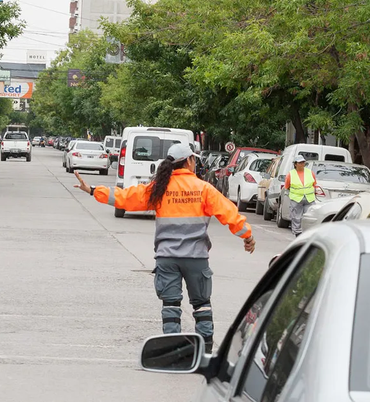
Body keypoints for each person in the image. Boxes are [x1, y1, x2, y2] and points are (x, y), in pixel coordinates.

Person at [73, 143, 255, 353]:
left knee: (171, 305)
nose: (195, 163)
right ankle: (204, 351)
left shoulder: (159, 189)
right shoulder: (204, 189)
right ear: (189, 161)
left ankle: (172, 350)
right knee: (202, 304)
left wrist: (94, 190)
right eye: (194, 159)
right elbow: (230, 215)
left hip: (167, 258)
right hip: (196, 258)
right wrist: (247, 237)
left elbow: (126, 198)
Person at [284, 155, 317, 237]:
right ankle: (298, 233)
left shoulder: (310, 172)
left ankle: (308, 233)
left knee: (310, 217)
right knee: (296, 217)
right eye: (300, 162)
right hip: (296, 199)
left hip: (309, 199)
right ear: (295, 164)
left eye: (303, 162)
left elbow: (314, 184)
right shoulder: (290, 174)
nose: (302, 164)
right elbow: (287, 186)